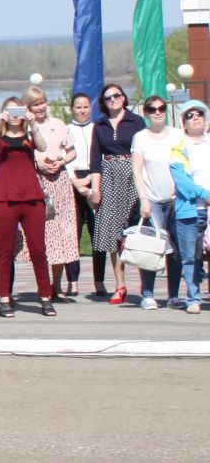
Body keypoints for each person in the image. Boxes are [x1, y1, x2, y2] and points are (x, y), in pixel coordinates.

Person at [0, 98, 57, 317]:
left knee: (38, 249)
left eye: (18, 110)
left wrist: (33, 123)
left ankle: (46, 296)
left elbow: (43, 147)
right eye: (10, 110)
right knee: (5, 251)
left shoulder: (29, 137)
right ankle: (4, 298)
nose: (14, 115)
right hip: (5, 198)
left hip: (32, 197)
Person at [90, 84, 144, 304]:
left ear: (124, 97)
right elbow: (95, 159)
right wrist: (95, 188)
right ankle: (119, 285)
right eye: (108, 97)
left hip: (133, 176)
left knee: (137, 232)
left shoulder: (136, 122)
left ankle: (145, 285)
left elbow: (144, 151)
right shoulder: (99, 125)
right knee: (112, 234)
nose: (113, 99)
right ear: (103, 101)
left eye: (117, 95)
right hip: (109, 177)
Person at [129, 93, 183, 309]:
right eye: (152, 109)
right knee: (152, 247)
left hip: (176, 200)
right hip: (152, 199)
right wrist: (144, 200)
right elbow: (136, 170)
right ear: (146, 113)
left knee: (176, 249)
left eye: (161, 108)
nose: (158, 112)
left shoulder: (178, 135)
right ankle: (148, 294)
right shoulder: (140, 137)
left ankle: (174, 295)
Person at [25, 87, 77, 301]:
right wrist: (38, 165)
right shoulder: (25, 128)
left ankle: (57, 284)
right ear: (28, 107)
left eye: (43, 102)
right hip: (38, 181)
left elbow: (72, 150)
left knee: (62, 233)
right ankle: (43, 284)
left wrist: (62, 161)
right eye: (36, 104)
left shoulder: (58, 124)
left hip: (60, 181)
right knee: (43, 235)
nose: (40, 107)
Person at [167, 100, 210, 313]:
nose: (196, 118)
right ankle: (193, 297)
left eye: (199, 114)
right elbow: (182, 183)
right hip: (190, 211)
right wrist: (206, 195)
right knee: (190, 257)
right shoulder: (178, 149)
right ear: (184, 123)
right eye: (190, 116)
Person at [67, 92, 100, 297]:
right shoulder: (67, 129)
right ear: (72, 108)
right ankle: (73, 280)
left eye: (86, 107)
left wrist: (90, 181)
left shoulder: (97, 129)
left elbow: (99, 156)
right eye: (78, 107)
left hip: (95, 178)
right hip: (73, 180)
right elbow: (65, 156)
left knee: (98, 234)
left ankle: (99, 280)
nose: (82, 110)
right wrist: (76, 181)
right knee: (74, 233)